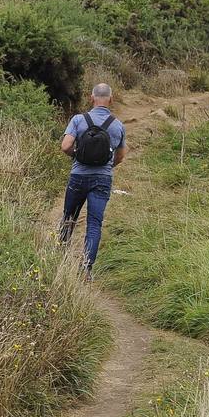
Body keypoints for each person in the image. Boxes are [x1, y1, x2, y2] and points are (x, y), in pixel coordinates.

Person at [58, 83, 127, 276]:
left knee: (68, 217)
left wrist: (77, 156)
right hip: (102, 180)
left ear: (91, 98)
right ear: (111, 100)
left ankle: (58, 259)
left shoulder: (79, 120)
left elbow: (65, 146)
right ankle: (86, 268)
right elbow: (120, 156)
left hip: (78, 176)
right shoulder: (117, 125)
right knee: (94, 223)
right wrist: (106, 167)